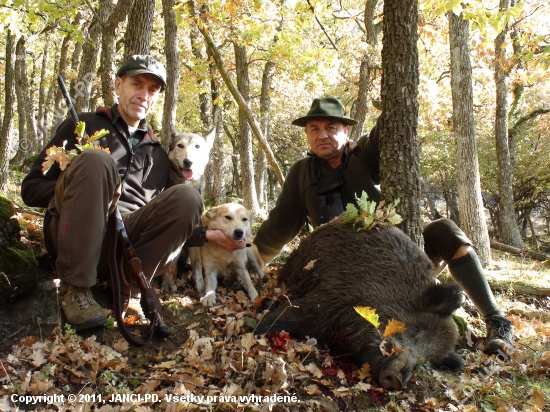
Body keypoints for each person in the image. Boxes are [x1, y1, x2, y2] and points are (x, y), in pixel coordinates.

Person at [253, 97, 514, 356]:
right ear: (307, 135)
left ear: (346, 130)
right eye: (314, 129)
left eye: (331, 127)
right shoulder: (302, 174)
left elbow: (391, 125)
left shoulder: (365, 153)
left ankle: (497, 322)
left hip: (399, 265)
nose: (322, 135)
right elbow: (278, 227)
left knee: (446, 230)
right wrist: (249, 260)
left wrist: (391, 104)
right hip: (343, 275)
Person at [22, 55, 245, 330]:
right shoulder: (83, 125)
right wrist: (75, 196)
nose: (143, 94)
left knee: (189, 197)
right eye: (136, 84)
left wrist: (209, 235)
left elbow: (166, 228)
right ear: (118, 85)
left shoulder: (160, 155)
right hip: (76, 238)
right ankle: (76, 289)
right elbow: (30, 189)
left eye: (152, 90)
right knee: (96, 160)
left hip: (127, 250)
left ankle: (131, 289)